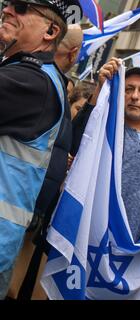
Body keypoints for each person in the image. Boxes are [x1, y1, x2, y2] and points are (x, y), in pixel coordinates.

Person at [0, 0, 82, 299]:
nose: (8, 10)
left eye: (21, 7)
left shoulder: (31, 81)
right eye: (7, 4)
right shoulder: (36, 76)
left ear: (50, 31)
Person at [71, 59, 140, 242]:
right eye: (129, 89)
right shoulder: (103, 127)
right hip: (84, 238)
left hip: (129, 252)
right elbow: (74, 142)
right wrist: (99, 89)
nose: (135, 96)